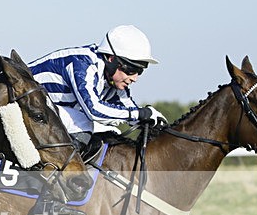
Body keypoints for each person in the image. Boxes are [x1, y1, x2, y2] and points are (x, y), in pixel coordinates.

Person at [28, 25, 167, 160]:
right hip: (22, 106)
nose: (134, 78)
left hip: (44, 113)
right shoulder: (83, 63)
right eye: (131, 70)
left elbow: (130, 110)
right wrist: (139, 114)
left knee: (113, 133)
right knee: (84, 123)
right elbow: (94, 111)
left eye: (140, 71)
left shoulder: (113, 79)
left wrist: (152, 120)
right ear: (112, 60)